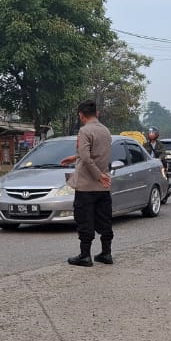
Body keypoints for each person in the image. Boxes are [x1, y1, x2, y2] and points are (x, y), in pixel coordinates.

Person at [65, 99, 113, 266]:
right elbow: (95, 153)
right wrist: (75, 157)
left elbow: (86, 157)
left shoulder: (84, 131)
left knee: (84, 220)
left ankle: (85, 256)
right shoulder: (106, 130)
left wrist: (98, 175)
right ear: (96, 113)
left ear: (81, 115)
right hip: (103, 186)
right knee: (104, 219)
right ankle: (106, 253)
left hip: (86, 185)